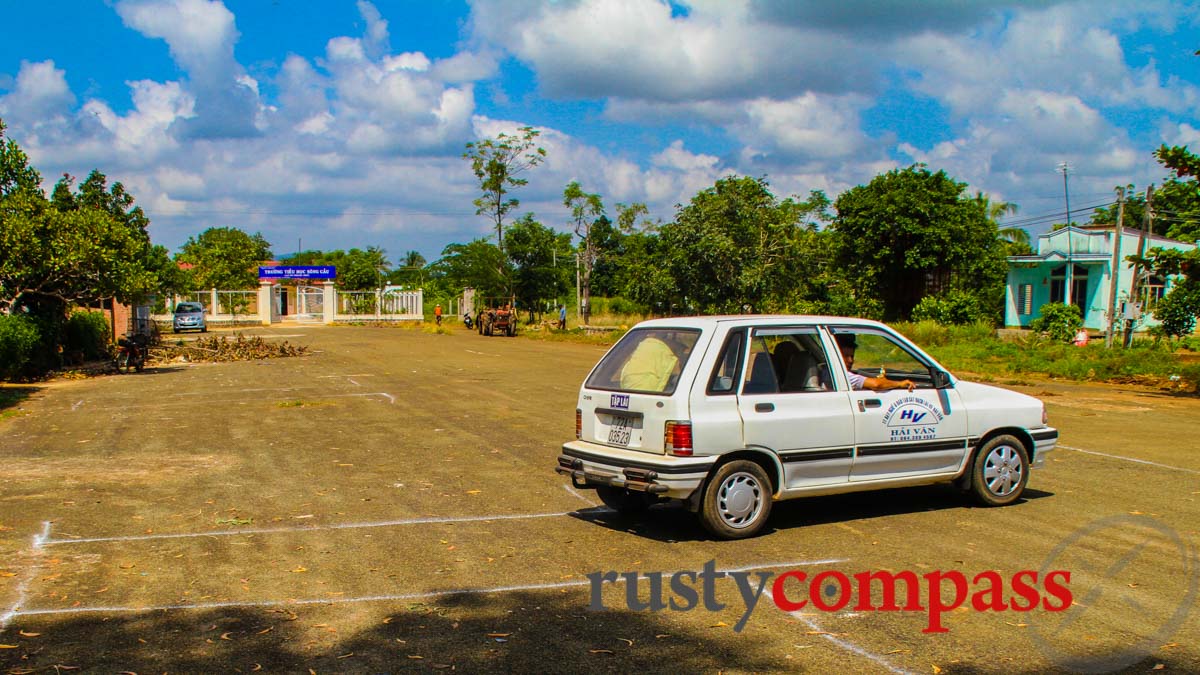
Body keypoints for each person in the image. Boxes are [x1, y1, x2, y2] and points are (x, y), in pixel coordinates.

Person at [834, 333, 915, 392]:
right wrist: (900, 384)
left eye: (852, 356)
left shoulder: (828, 372)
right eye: (846, 356)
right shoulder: (841, 376)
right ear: (835, 356)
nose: (851, 361)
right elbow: (876, 384)